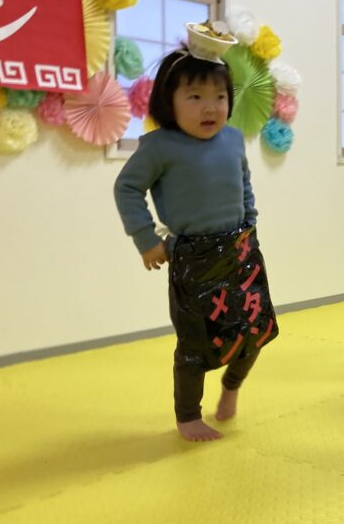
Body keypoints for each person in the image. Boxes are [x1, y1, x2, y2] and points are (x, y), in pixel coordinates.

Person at [114, 27, 277, 443]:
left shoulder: (233, 140)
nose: (210, 107)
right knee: (195, 343)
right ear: (168, 101)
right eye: (195, 97)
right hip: (193, 259)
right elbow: (127, 188)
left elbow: (244, 183)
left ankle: (232, 386)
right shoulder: (159, 146)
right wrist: (146, 239)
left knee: (254, 331)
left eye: (219, 97)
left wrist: (250, 222)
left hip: (240, 250)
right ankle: (188, 416)